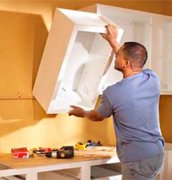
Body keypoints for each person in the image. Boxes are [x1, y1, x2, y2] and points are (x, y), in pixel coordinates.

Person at [69, 24, 164, 180]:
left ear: (126, 63)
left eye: (118, 55)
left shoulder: (113, 92)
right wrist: (113, 42)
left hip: (137, 159)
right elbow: (132, 60)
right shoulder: (153, 79)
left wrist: (83, 113)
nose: (115, 56)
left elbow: (97, 116)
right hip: (156, 154)